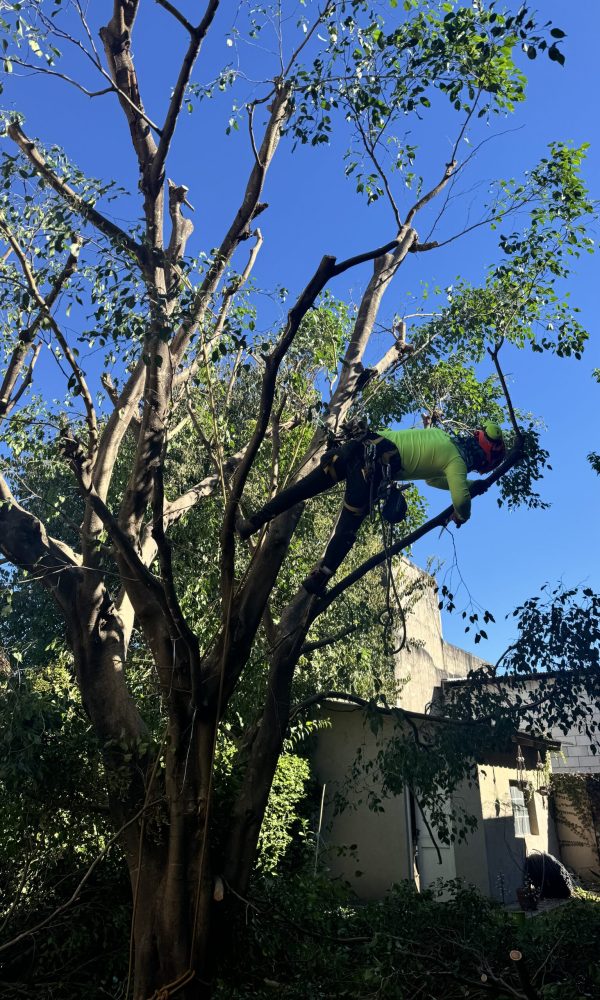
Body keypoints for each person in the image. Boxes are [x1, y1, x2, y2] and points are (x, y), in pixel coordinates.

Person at [237, 422, 505, 593]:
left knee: (301, 490)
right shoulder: (456, 461)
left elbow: (433, 480)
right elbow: (459, 501)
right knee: (347, 528)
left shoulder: (440, 437)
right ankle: (319, 577)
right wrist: (463, 513)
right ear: (482, 458)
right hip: (371, 471)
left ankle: (252, 523)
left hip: (357, 448)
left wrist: (469, 485)